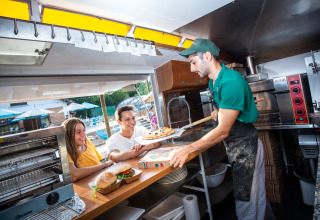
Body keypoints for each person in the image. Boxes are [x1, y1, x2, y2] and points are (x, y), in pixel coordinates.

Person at [170, 39, 274, 220]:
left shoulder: (231, 82)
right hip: (235, 146)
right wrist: (220, 111)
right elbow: (225, 107)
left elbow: (223, 131)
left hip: (246, 146)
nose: (192, 69)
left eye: (193, 62)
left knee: (246, 200)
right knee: (255, 194)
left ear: (208, 56)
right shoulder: (213, 82)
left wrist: (188, 149)